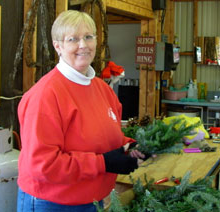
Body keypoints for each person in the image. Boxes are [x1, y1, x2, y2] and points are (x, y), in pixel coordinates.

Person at [17, 10, 145, 212]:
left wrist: (131, 146)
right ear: (58, 46)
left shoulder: (103, 90)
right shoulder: (45, 95)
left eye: (88, 37)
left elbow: (107, 137)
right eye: (73, 39)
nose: (83, 45)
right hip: (53, 203)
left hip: (93, 199)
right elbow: (43, 165)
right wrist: (103, 163)